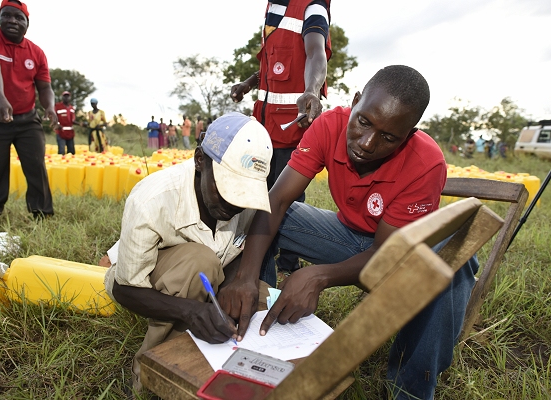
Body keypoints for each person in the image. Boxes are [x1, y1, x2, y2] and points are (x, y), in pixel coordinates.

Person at [219, 66, 480, 400]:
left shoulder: (426, 162)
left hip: (399, 253)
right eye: (364, 122)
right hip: (345, 236)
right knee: (267, 214)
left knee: (452, 260)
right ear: (355, 102)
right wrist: (245, 275)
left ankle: (410, 388)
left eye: (389, 138)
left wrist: (319, 277)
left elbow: (387, 254)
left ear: (410, 133)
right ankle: (257, 326)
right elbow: (279, 199)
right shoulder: (328, 126)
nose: (368, 143)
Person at [103, 112, 273, 393]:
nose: (234, 205)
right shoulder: (152, 199)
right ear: (199, 160)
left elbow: (236, 254)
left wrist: (232, 290)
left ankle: (221, 371)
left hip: (206, 275)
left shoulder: (247, 202)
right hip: (142, 281)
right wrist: (192, 311)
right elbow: (126, 289)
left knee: (261, 297)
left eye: (243, 194)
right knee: (199, 263)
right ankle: (151, 377)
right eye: (228, 189)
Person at [230, 0, 332, 276]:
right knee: (260, 195)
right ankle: (260, 257)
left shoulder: (312, 6)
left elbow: (315, 52)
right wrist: (248, 84)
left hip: (291, 128)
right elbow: (271, 64)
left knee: (286, 200)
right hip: (264, 130)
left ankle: (289, 265)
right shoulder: (273, 10)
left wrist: (312, 89)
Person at [0, 0, 56, 225]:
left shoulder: (37, 53)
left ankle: (42, 214)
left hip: (28, 119)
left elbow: (45, 86)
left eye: (19, 17)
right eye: (6, 15)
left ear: (27, 23)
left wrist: (49, 107)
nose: (12, 20)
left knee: (35, 165)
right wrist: (0, 99)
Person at [54, 91, 76, 155]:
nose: (66, 98)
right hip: (61, 131)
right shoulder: (57, 106)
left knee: (71, 152)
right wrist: (57, 124)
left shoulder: (71, 108)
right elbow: (53, 116)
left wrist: (80, 124)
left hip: (70, 132)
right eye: (65, 96)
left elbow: (73, 120)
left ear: (70, 97)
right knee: (61, 151)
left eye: (68, 96)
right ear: (62, 97)